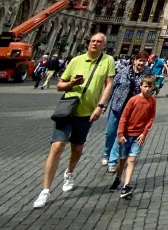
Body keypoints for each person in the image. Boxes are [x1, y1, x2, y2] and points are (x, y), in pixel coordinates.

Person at [31, 33, 115, 209]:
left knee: (77, 147)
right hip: (67, 109)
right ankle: (45, 190)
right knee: (57, 146)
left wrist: (100, 105)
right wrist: (71, 84)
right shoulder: (76, 60)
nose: (95, 43)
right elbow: (59, 85)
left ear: (103, 45)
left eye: (99, 42)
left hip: (86, 112)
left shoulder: (108, 61)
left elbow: (109, 85)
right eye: (93, 41)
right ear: (88, 43)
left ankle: (69, 172)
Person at [109, 73, 157, 199]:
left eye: (150, 87)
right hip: (126, 134)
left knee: (131, 160)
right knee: (122, 160)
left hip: (139, 136)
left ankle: (126, 186)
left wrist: (144, 133)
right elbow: (124, 117)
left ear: (153, 88)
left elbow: (151, 118)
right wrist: (120, 133)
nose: (147, 89)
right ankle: (118, 178)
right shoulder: (133, 100)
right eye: (145, 86)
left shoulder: (152, 101)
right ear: (141, 86)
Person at [104, 54, 148, 171]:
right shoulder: (123, 71)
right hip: (117, 106)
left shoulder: (148, 74)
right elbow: (112, 87)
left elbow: (150, 89)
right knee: (110, 133)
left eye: (144, 61)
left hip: (132, 110)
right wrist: (104, 104)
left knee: (120, 134)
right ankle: (106, 153)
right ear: (134, 61)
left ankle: (112, 161)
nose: (141, 63)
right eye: (139, 60)